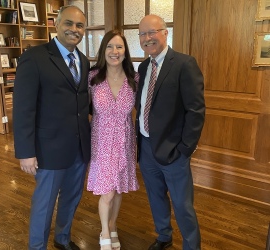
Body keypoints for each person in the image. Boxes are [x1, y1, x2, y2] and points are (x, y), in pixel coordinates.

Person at [13, 6, 90, 250]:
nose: (74, 30)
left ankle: (62, 239)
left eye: (79, 26)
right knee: (44, 204)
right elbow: (23, 108)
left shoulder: (84, 60)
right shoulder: (34, 57)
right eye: (69, 24)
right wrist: (25, 151)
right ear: (56, 25)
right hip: (48, 149)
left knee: (71, 198)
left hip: (79, 148)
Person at [136, 14, 205, 250]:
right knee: (156, 199)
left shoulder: (185, 64)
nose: (147, 38)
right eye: (143, 34)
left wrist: (186, 148)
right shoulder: (143, 67)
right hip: (146, 148)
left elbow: (195, 111)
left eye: (152, 32)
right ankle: (164, 236)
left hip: (174, 151)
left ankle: (191, 245)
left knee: (182, 204)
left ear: (165, 33)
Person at [87, 30, 139, 250]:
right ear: (103, 51)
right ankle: (105, 232)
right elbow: (82, 109)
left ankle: (113, 226)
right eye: (109, 46)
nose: (114, 51)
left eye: (119, 47)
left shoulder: (134, 79)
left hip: (126, 142)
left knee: (118, 191)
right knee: (107, 191)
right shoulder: (93, 78)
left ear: (125, 51)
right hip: (102, 143)